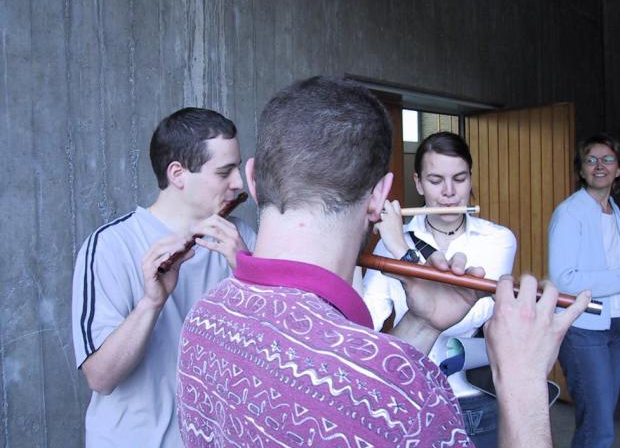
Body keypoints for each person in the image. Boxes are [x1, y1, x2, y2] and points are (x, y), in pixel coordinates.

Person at [177, 76, 590, 448]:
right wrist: (522, 386)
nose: (449, 191)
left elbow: (359, 388)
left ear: (252, 178)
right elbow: (368, 388)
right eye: (436, 180)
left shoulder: (203, 319)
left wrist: (422, 323)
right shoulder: (412, 400)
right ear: (380, 197)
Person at [71, 108, 256, 447]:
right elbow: (100, 378)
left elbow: (274, 351)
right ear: (178, 174)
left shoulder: (242, 237)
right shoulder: (111, 245)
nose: (238, 183)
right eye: (224, 172)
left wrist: (248, 271)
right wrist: (151, 303)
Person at [363, 131, 516, 447]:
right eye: (435, 181)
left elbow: (464, 319)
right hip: (408, 394)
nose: (449, 192)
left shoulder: (498, 239)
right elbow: (368, 324)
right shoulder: (389, 241)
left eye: (459, 179)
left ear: (470, 179)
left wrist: (402, 250)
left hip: (470, 399)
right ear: (418, 183)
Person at [548, 133, 620, 448]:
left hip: (619, 324)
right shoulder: (570, 213)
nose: (599, 166)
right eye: (591, 160)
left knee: (598, 421)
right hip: (585, 329)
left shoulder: (612, 209)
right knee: (599, 428)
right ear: (581, 170)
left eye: (607, 159)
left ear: (618, 169)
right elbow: (564, 280)